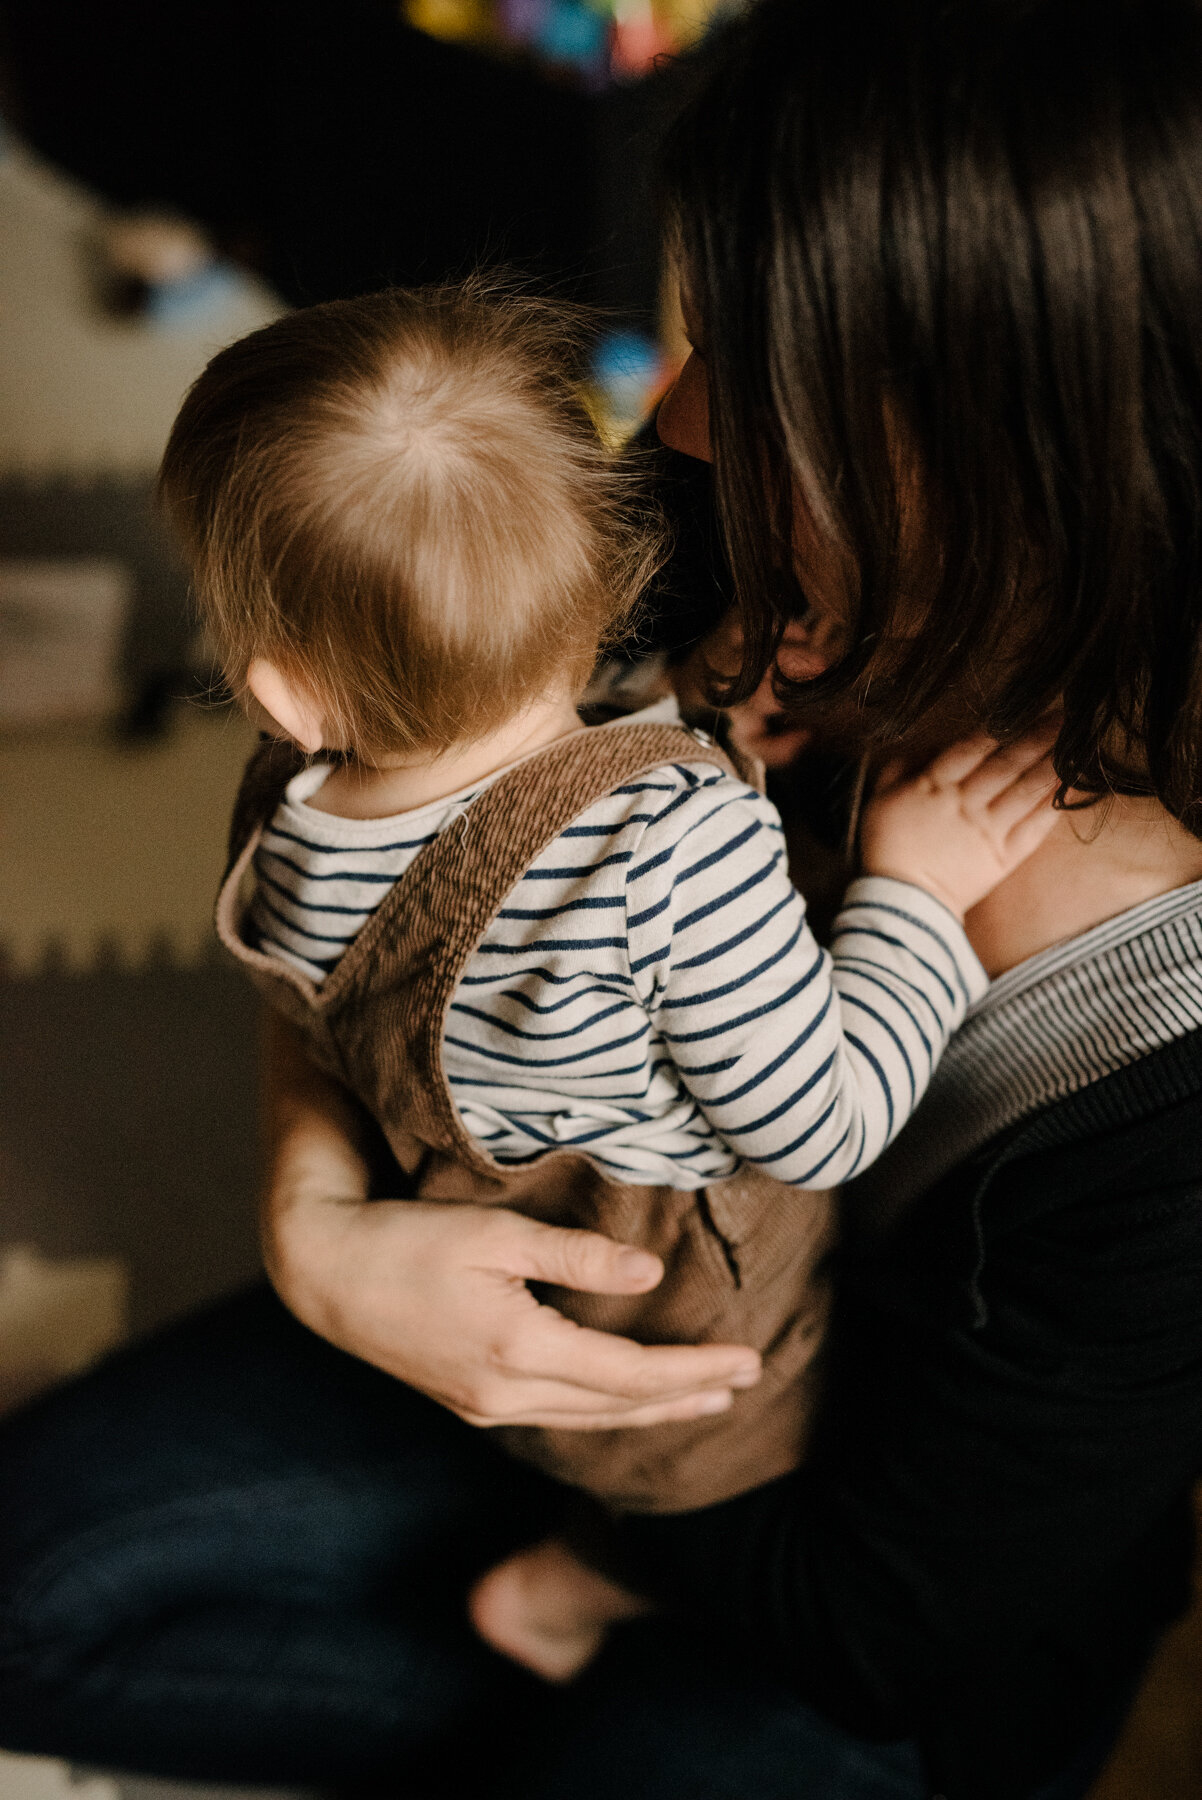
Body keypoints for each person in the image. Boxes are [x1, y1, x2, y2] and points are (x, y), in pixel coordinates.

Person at [3, 2, 1202, 1797]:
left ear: (1019, 452)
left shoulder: (1159, 1068)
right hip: (537, 1275)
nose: (682, 417)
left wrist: (586, 1518)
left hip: (820, 1568)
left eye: (773, 371)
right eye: (704, 328)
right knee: (30, 1595)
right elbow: (365, 921)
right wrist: (323, 1237)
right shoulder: (729, 526)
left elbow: (880, 1610)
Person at [159, 283, 1054, 1555]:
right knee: (759, 1482)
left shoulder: (289, 810)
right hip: (685, 1381)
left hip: (474, 1257)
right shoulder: (673, 847)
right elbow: (823, 1127)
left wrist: (684, 712)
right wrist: (917, 892)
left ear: (282, 692)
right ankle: (610, 1578)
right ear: (608, 559)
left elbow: (486, 820)